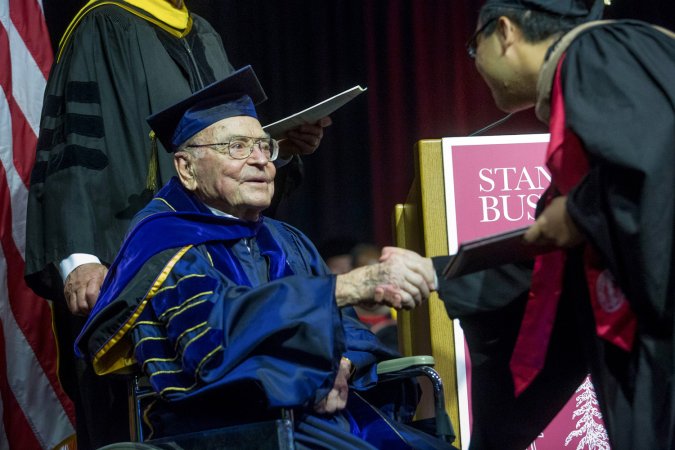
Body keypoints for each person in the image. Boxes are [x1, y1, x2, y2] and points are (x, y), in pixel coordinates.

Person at [74, 66, 453, 449]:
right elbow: (212, 340)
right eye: (236, 147)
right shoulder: (164, 243)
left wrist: (343, 364)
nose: (261, 160)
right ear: (186, 168)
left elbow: (352, 329)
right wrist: (342, 289)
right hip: (228, 429)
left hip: (319, 417)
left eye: (264, 146)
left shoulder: (286, 239)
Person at [25, 1, 330, 447]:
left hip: (213, 253)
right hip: (126, 260)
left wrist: (281, 148)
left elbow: (219, 145)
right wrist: (80, 259)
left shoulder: (203, 32)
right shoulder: (104, 22)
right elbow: (76, 145)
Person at [437, 0, 675, 448]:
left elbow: (655, 174)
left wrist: (576, 210)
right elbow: (554, 273)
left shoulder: (596, 52)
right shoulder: (608, 65)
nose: (476, 66)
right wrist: (436, 274)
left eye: (475, 47)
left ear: (504, 31)